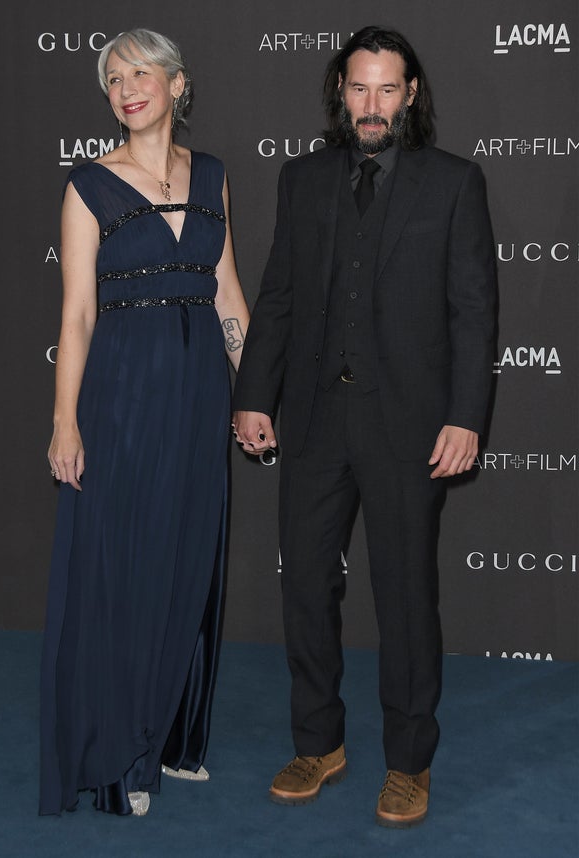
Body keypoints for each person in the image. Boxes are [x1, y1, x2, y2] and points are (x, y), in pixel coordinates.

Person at [232, 25, 496, 828]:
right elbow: (276, 296)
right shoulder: (302, 179)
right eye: (359, 88)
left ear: (411, 94)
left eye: (388, 89)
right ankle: (320, 742)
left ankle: (409, 761)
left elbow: (474, 311)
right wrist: (253, 395)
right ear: (338, 94)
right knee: (307, 588)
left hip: (410, 426)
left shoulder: (453, 184)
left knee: (407, 597)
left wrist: (464, 416)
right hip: (314, 420)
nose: (372, 104)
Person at [40, 28, 249, 818]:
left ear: (178, 84)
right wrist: (65, 424)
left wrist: (255, 393)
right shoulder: (90, 185)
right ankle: (123, 753)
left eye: (140, 73)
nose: (126, 88)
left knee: (189, 557)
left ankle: (172, 734)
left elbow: (227, 294)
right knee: (124, 568)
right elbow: (79, 313)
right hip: (123, 398)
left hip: (199, 397)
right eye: (113, 78)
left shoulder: (214, 177)